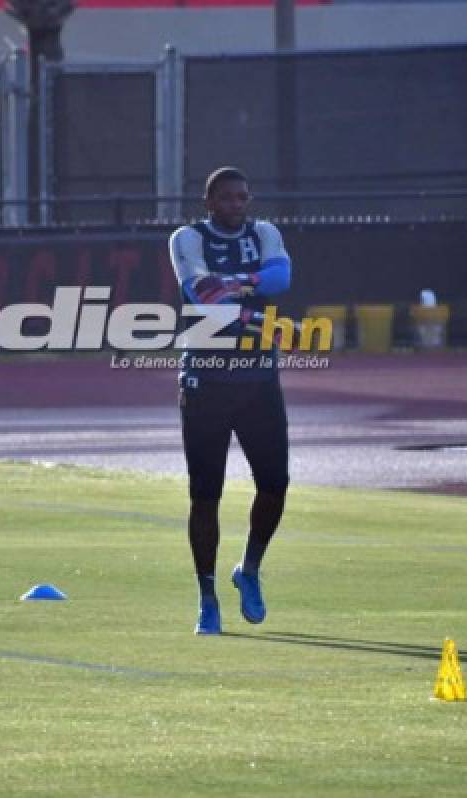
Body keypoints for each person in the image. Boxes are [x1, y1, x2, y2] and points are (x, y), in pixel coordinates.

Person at [168, 166, 292, 635]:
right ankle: (206, 596)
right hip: (205, 380)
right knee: (205, 496)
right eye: (227, 198)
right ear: (209, 202)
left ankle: (249, 570)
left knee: (275, 485)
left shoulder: (265, 233)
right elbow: (200, 291)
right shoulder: (187, 237)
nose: (236, 205)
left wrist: (236, 284)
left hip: (259, 380)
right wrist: (248, 290)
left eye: (242, 197)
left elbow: (282, 278)